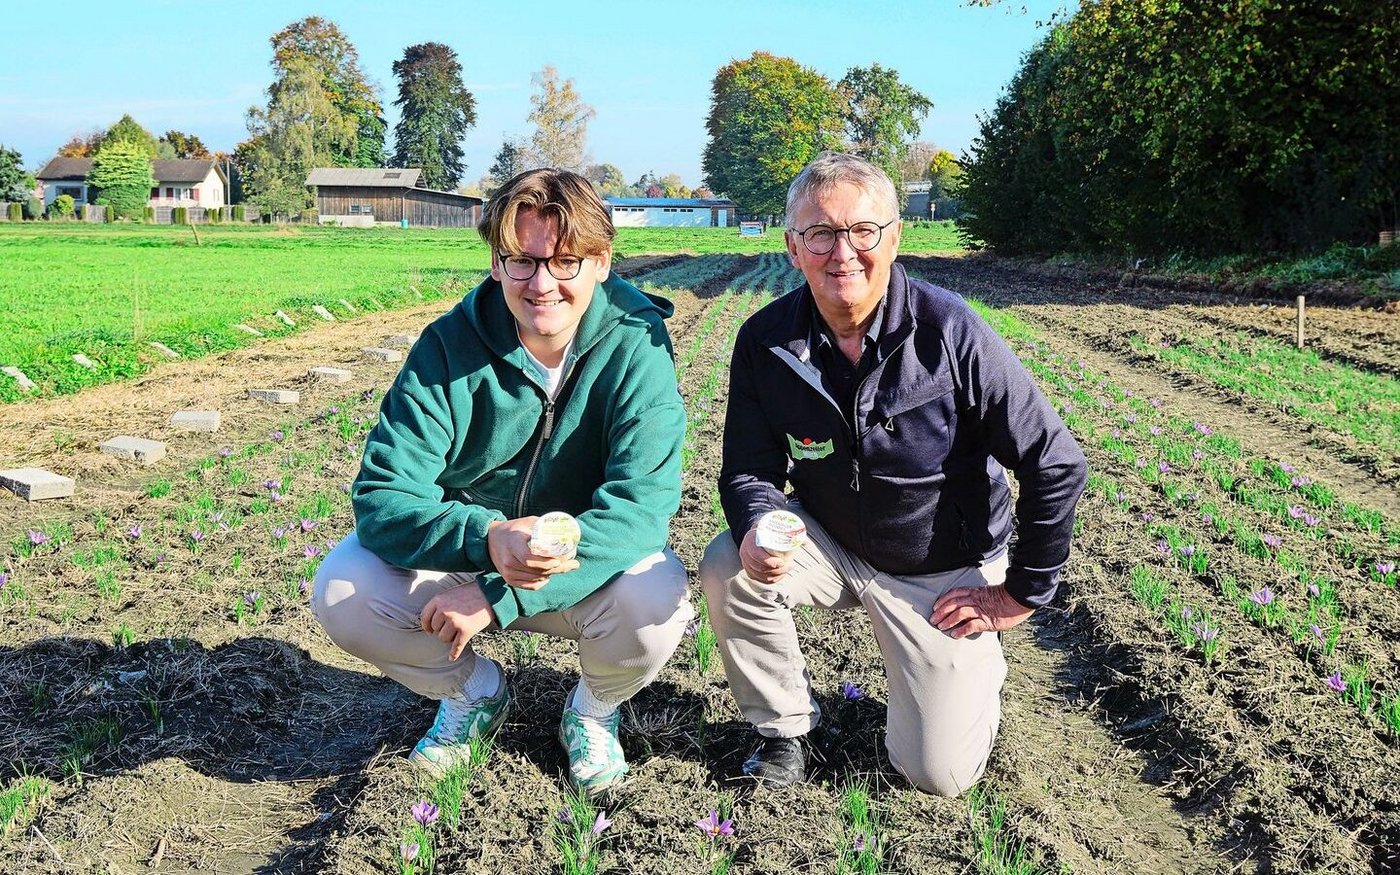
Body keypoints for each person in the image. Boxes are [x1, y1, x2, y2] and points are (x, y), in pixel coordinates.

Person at [699, 151, 1087, 796]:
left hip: (941, 573)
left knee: (937, 775)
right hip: (831, 543)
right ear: (793, 247)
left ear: (894, 237)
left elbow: (1054, 463)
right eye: (819, 233)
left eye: (861, 231)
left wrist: (1020, 594)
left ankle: (965, 672)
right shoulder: (766, 341)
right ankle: (785, 729)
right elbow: (748, 469)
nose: (841, 251)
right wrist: (760, 525)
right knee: (726, 563)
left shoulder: (951, 333)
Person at [313, 168, 692, 795]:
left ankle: (594, 711)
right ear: (496, 262)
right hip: (469, 554)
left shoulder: (636, 347)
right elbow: (382, 500)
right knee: (343, 589)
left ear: (600, 262)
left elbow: (642, 506)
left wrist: (499, 595)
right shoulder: (447, 347)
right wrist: (488, 541)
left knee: (658, 598)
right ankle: (473, 693)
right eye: (521, 261)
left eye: (566, 261)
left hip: (579, 571)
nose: (542, 284)